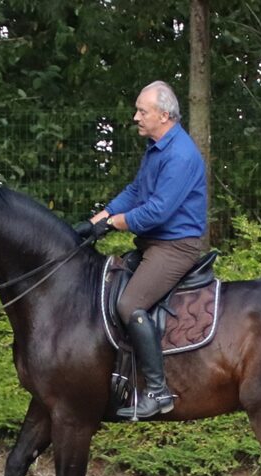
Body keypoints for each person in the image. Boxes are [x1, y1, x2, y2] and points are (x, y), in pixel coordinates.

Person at [90, 80, 208, 420]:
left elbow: (157, 210)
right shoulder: (157, 148)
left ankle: (158, 393)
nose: (136, 117)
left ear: (164, 115)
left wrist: (114, 224)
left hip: (175, 247)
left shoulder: (181, 154)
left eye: (143, 111)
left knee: (130, 303)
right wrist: (100, 217)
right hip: (154, 243)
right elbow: (136, 189)